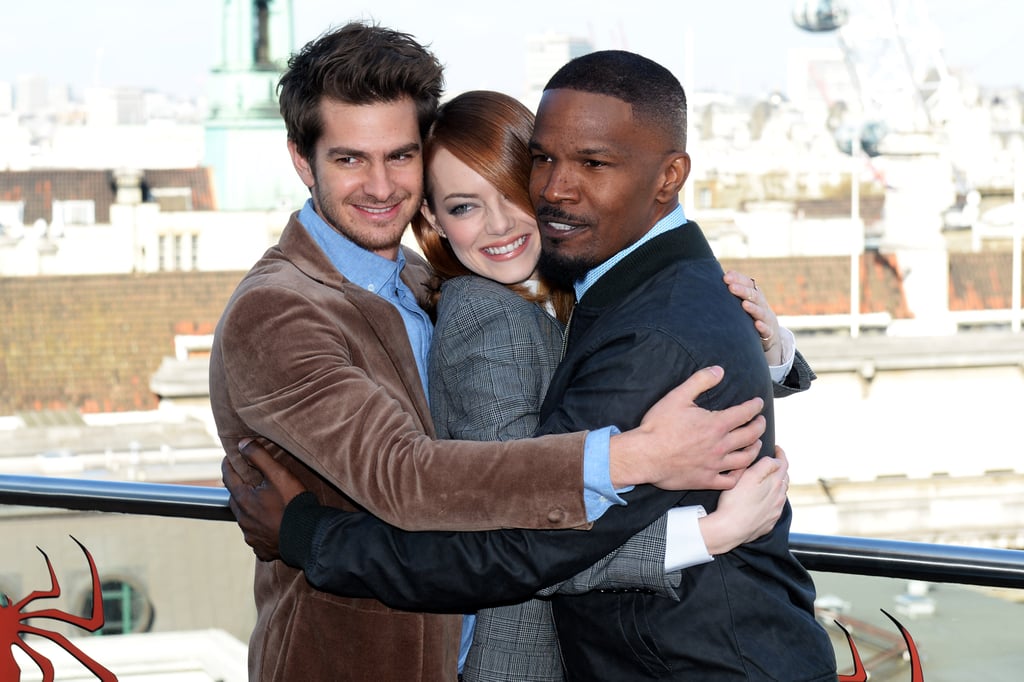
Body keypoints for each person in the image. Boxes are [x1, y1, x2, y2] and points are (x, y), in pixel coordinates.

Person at [223, 52, 837, 680]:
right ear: (303, 159)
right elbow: (464, 510)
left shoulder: (419, 279)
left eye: (400, 156)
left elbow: (618, 364)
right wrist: (677, 508)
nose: (381, 187)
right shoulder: (293, 307)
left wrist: (770, 354)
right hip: (379, 652)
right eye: (350, 158)